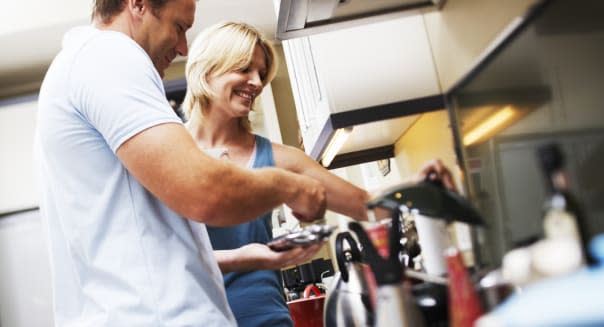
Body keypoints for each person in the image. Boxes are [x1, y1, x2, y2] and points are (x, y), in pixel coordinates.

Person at [34, 1, 329, 326]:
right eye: (179, 27)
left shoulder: (77, 66)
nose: (183, 47)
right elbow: (205, 192)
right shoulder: (110, 56)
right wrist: (291, 185)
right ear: (138, 5)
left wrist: (243, 257)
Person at [182, 21, 459, 327]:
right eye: (244, 69)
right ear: (207, 70)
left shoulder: (276, 157)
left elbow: (365, 204)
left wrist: (418, 188)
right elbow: (162, 257)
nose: (257, 83)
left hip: (267, 321)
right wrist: (246, 256)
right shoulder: (167, 155)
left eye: (261, 74)